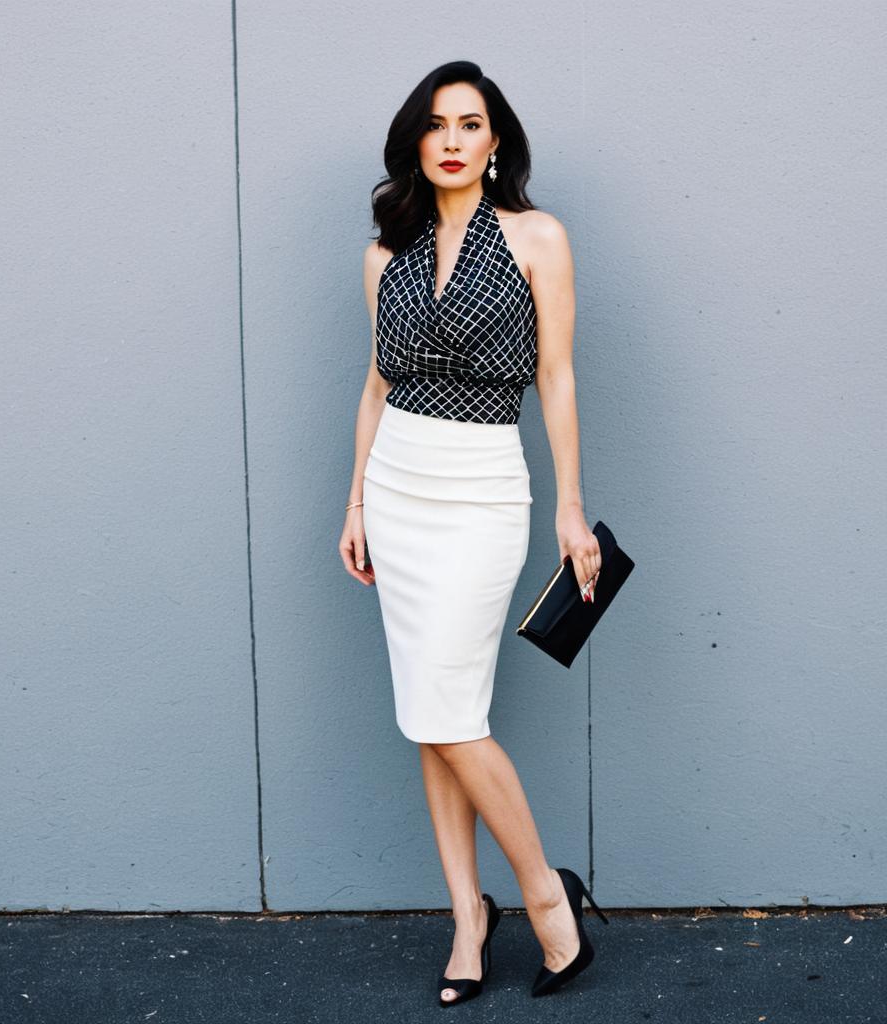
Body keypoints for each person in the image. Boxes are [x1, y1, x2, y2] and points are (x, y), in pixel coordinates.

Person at [338, 60, 608, 1004]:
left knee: (448, 710)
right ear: (417, 140)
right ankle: (467, 918)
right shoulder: (384, 256)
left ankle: (543, 900)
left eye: (472, 123)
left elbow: (557, 379)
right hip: (398, 488)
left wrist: (571, 506)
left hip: (484, 486)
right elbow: (377, 385)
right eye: (437, 124)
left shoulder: (539, 237)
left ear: (496, 144)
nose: (453, 138)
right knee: (431, 713)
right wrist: (356, 503)